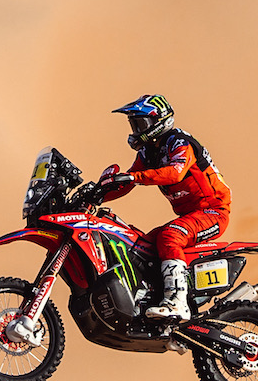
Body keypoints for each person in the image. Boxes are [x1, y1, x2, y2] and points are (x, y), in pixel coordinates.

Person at [96, 94, 231, 322]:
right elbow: (128, 182)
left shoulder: (179, 142)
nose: (136, 130)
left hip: (212, 211)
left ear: (158, 121)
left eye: (141, 124)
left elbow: (174, 173)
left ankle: (177, 303)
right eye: (134, 125)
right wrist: (98, 195)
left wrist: (134, 177)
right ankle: (150, 298)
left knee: (170, 236)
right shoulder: (148, 152)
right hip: (190, 215)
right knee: (142, 246)